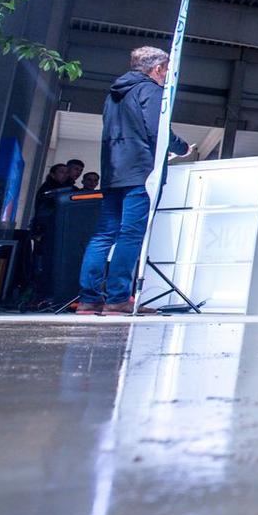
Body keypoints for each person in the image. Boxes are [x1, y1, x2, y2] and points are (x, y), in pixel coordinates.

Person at [76, 46, 189, 314]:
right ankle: (118, 297)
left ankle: (89, 298)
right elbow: (157, 130)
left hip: (113, 170)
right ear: (158, 69)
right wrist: (182, 147)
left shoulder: (113, 94)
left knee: (104, 234)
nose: (167, 75)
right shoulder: (151, 90)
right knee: (130, 234)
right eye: (167, 70)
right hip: (141, 172)